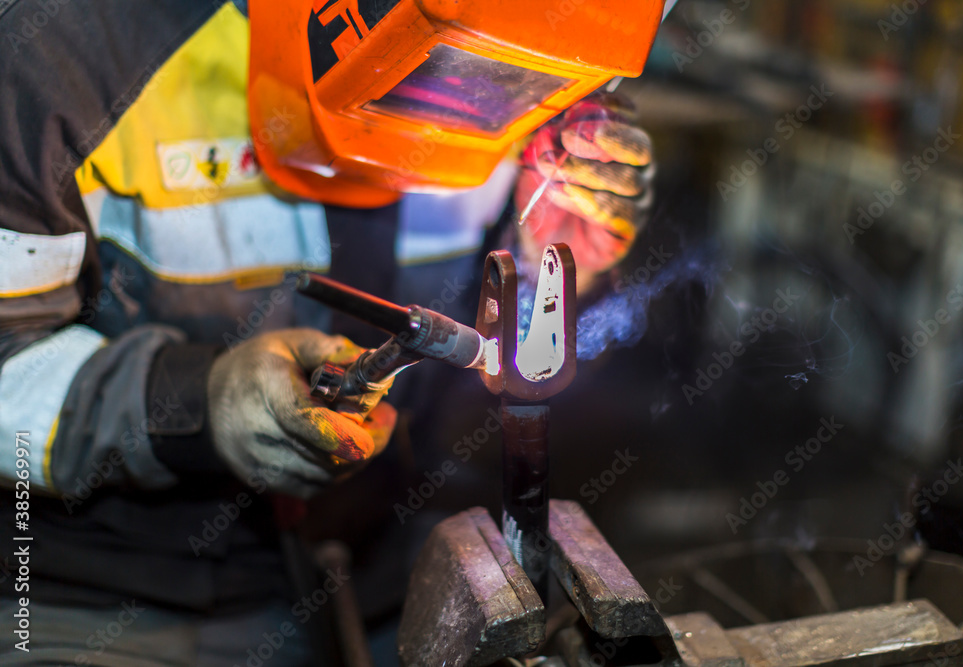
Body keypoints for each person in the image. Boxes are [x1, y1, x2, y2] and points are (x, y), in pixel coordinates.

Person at [0, 0, 656, 663]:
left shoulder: (523, 44)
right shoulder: (59, 49)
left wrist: (552, 277)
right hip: (103, 589)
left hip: (379, 561)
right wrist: (199, 402)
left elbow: (484, 389)